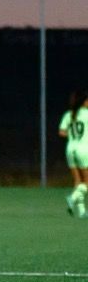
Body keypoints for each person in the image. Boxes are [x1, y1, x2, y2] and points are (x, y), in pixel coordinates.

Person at [59, 89, 88, 217]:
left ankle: (81, 211)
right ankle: (73, 197)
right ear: (84, 102)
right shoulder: (86, 114)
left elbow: (61, 132)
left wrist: (72, 135)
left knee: (78, 181)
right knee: (86, 182)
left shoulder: (69, 114)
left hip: (70, 149)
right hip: (83, 149)